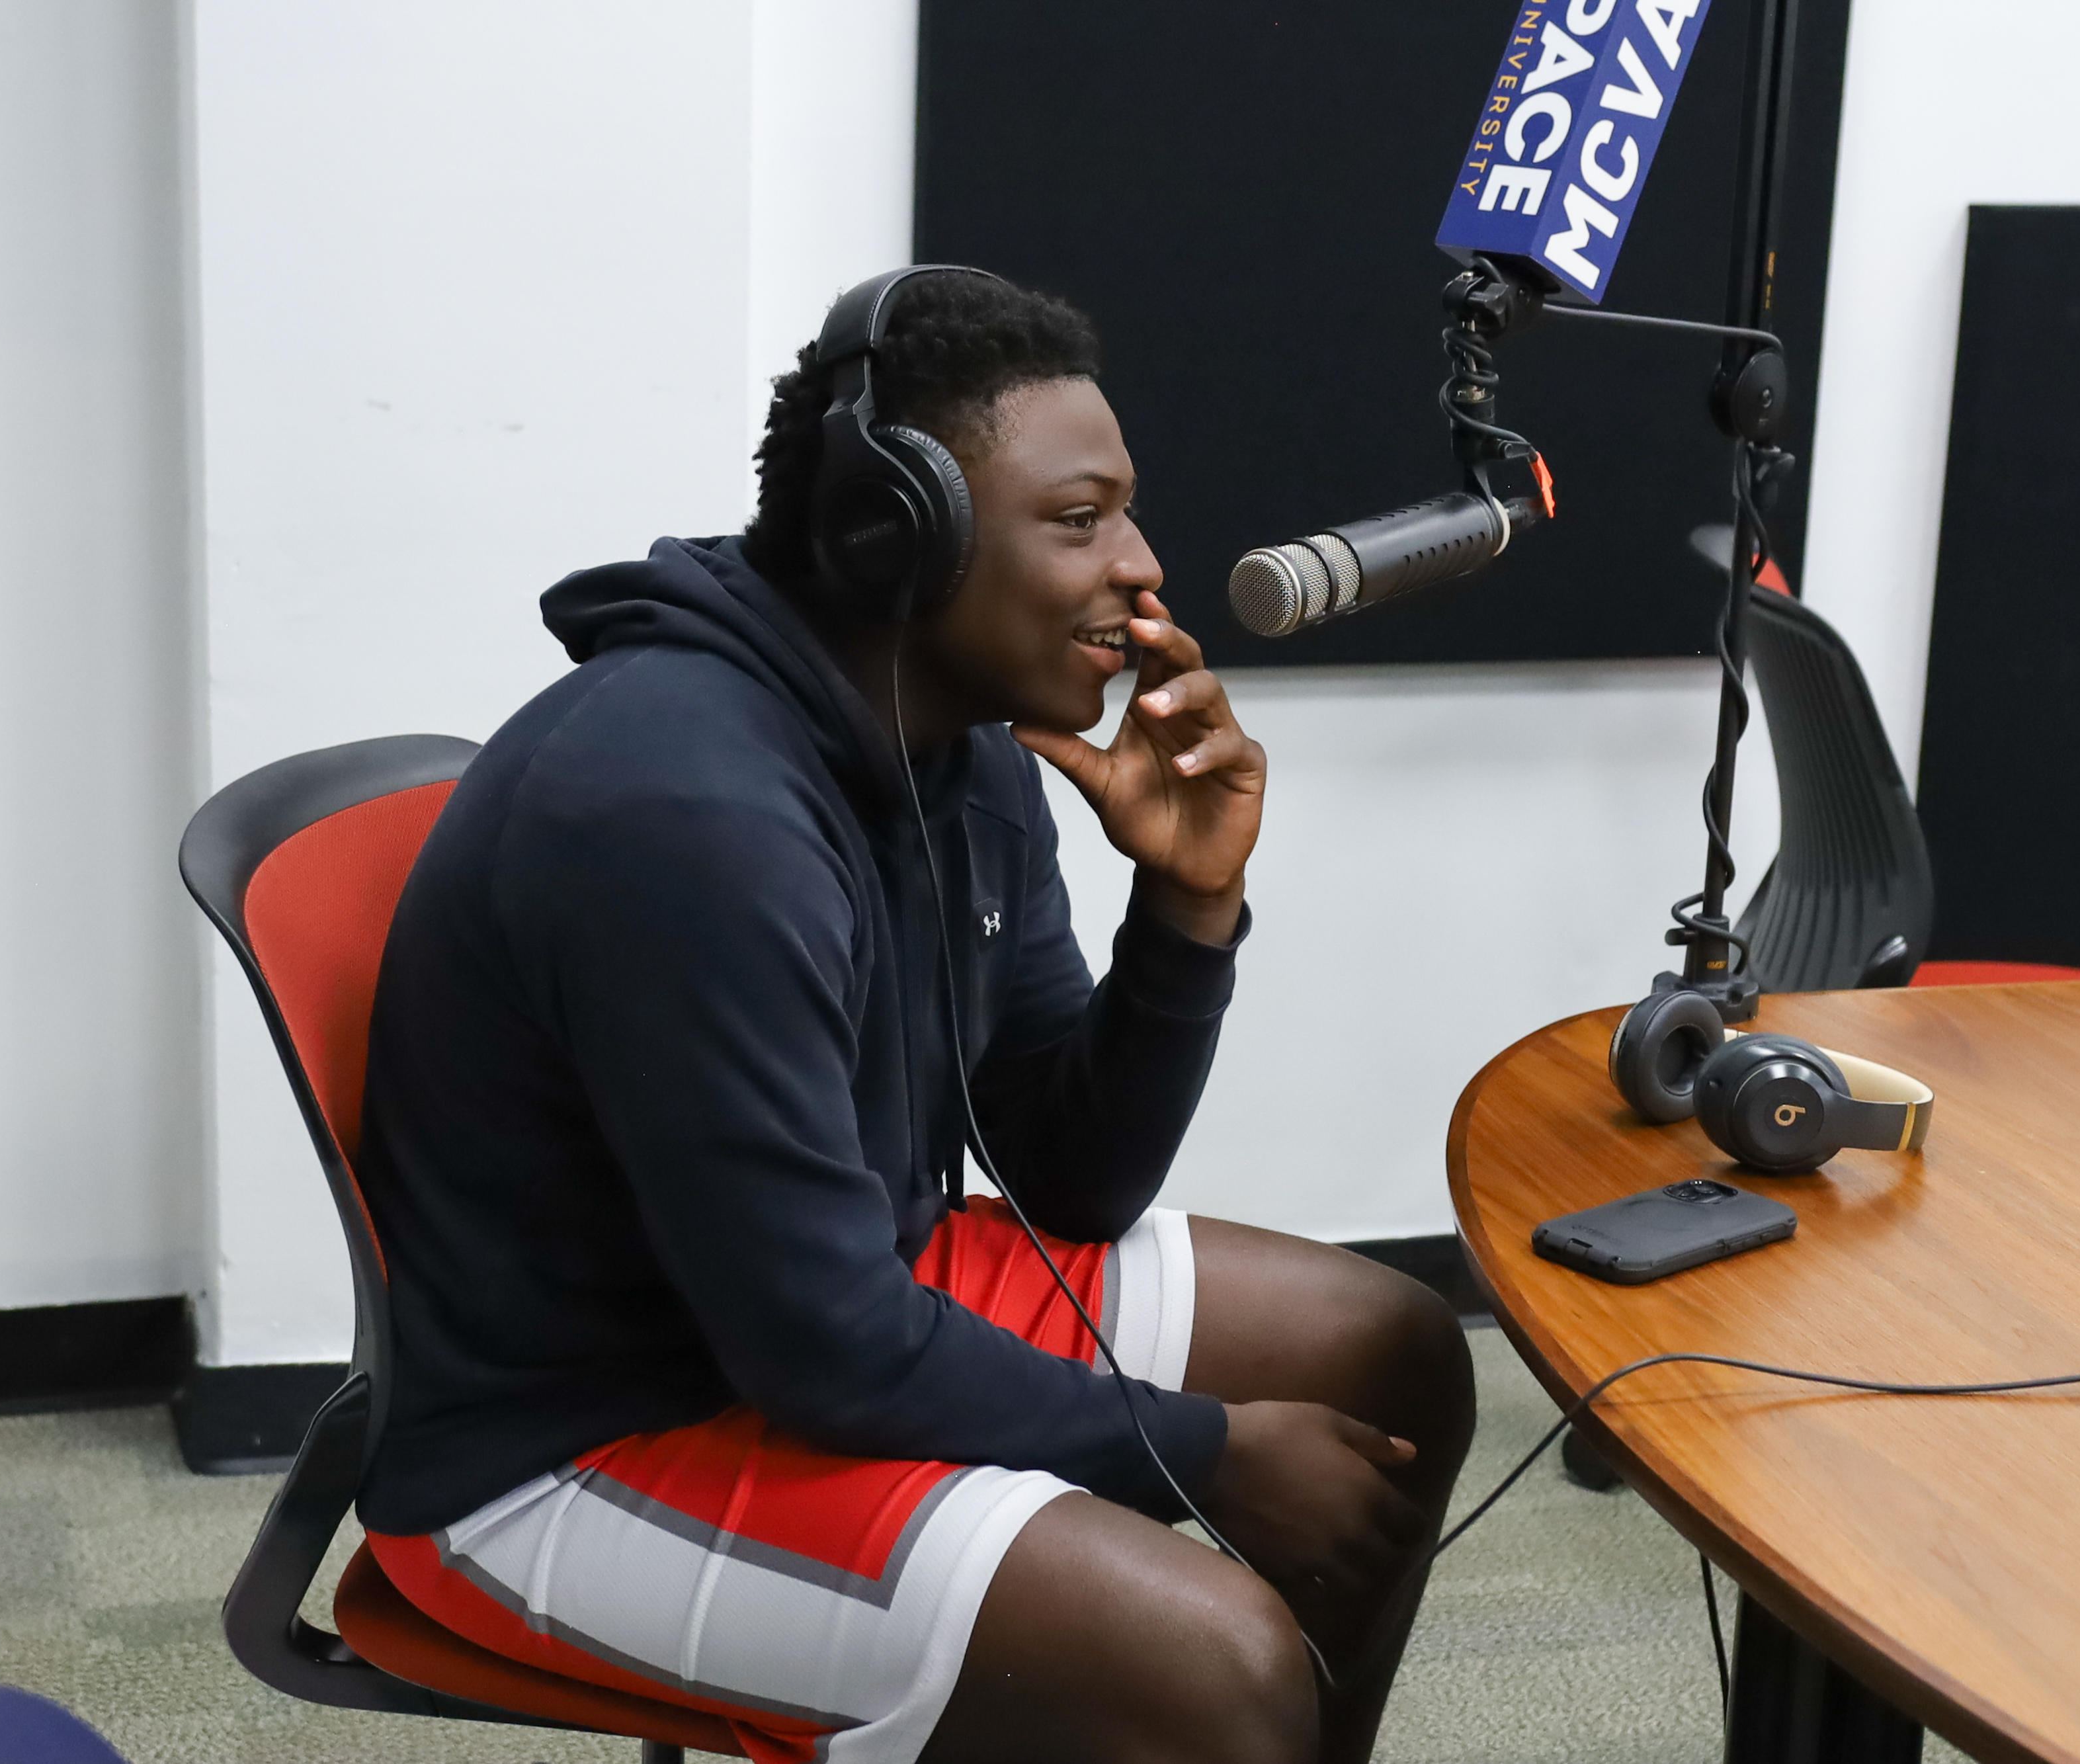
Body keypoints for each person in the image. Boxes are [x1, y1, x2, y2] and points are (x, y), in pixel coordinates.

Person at [352, 268, 1474, 1764]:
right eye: (1077, 520)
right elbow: (824, 1348)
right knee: (1214, 1664)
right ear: (900, 534)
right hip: (576, 1441)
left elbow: (1073, 1178)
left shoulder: (965, 754)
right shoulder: (688, 815)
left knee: (1391, 1351)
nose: (1142, 566)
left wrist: (1188, 908)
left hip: (808, 1298)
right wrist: (1200, 1452)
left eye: (1127, 512)